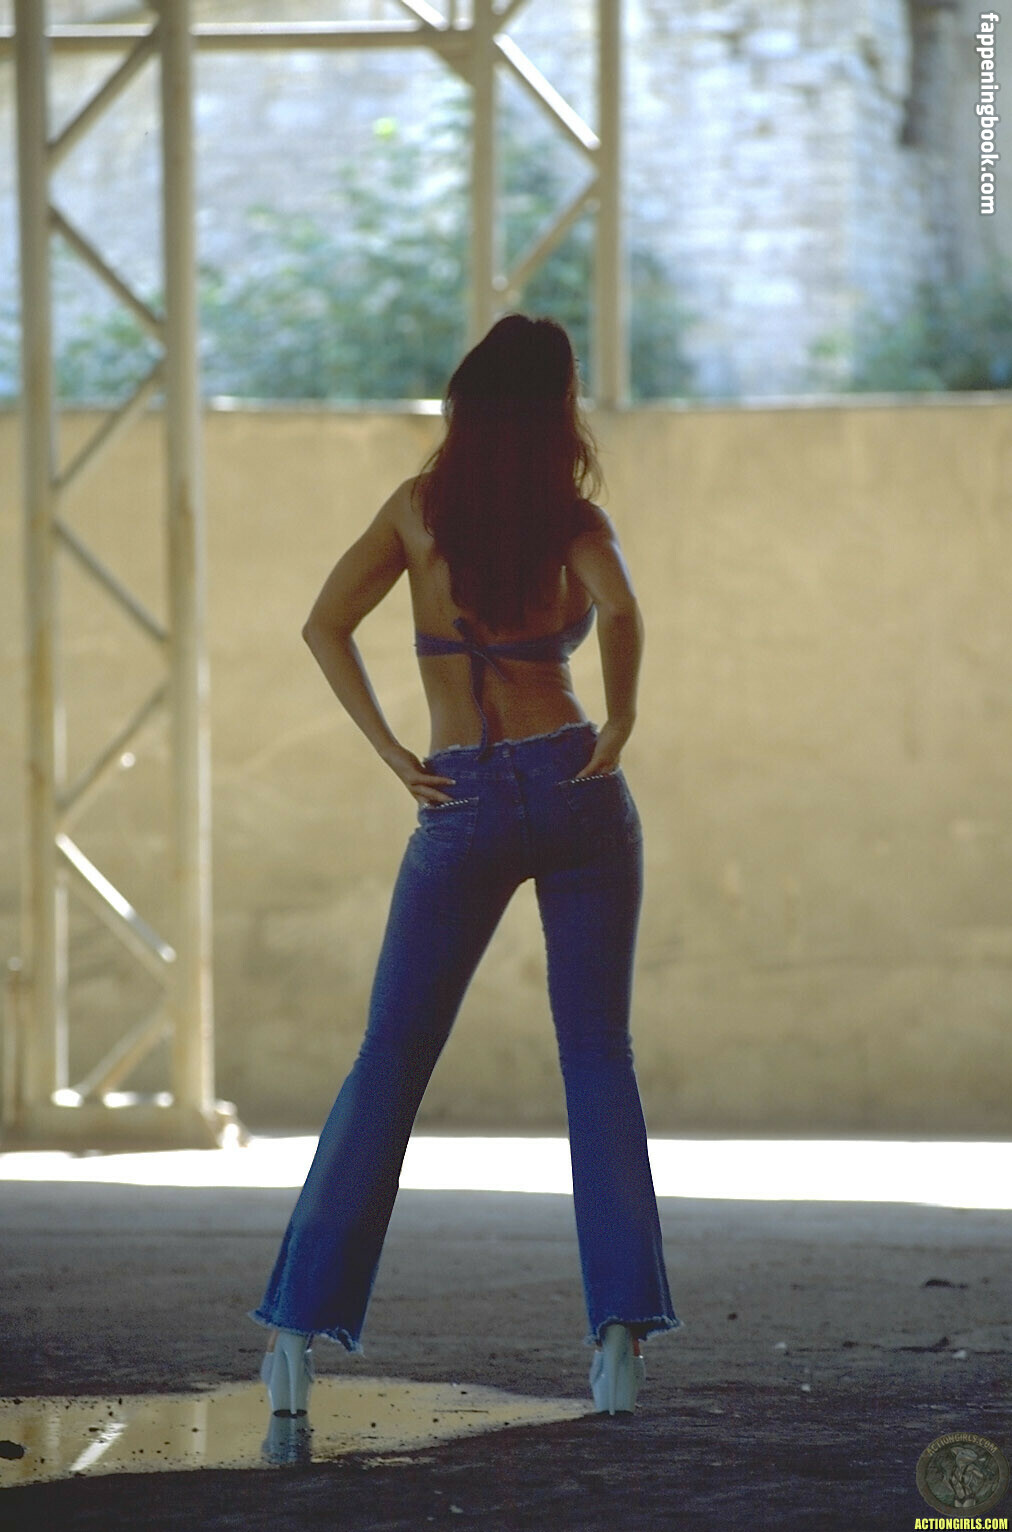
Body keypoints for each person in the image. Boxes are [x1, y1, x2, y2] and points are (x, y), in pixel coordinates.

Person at [248, 314, 683, 1450]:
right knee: (597, 1056)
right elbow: (622, 607)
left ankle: (294, 1336)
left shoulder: (415, 509)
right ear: (555, 412)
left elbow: (324, 624)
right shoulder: (571, 518)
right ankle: (619, 1339)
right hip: (578, 783)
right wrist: (621, 720)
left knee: (390, 1058)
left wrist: (394, 754)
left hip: (462, 795)